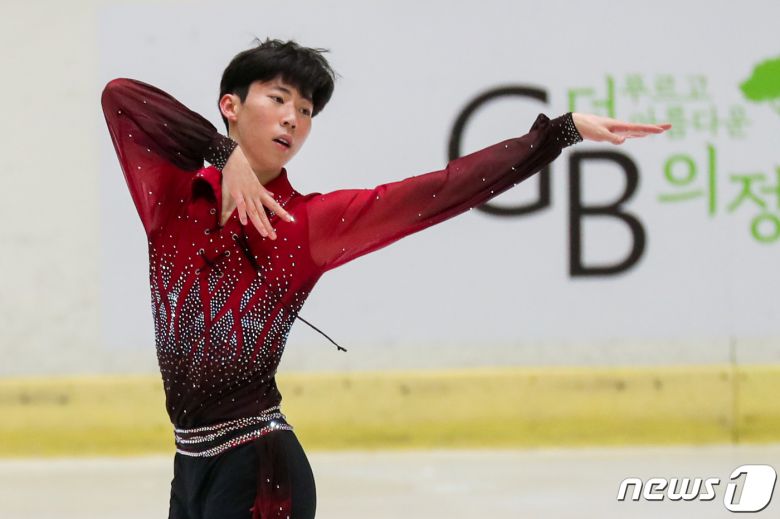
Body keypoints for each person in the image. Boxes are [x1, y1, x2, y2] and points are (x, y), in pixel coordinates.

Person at [101, 37, 670, 519]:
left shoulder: (307, 224)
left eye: (305, 111)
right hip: (189, 467)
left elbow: (443, 189)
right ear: (230, 104)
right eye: (278, 99)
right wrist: (221, 154)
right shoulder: (171, 199)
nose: (292, 119)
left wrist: (558, 133)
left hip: (259, 464)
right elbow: (121, 97)